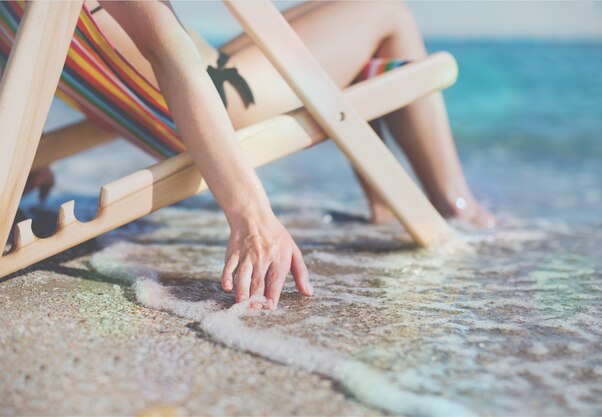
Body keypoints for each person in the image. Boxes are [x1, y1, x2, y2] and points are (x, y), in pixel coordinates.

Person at [27, 0, 497, 310]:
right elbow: (166, 49)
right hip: (213, 100)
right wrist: (251, 217)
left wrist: (23, 149)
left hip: (174, 89)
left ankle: (386, 206)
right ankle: (458, 207)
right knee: (386, 12)